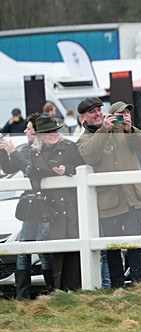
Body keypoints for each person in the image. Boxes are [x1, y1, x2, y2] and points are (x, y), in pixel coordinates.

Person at [77, 100, 141, 287]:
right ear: (82, 117)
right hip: (110, 202)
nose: (97, 114)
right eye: (92, 112)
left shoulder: (122, 130)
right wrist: (103, 130)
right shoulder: (83, 139)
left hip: (134, 196)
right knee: (113, 246)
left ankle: (137, 284)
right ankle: (117, 286)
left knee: (135, 242)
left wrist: (129, 129)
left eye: (99, 110)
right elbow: (90, 155)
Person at [0, 113, 54, 298]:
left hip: (46, 207)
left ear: (38, 132)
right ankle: (21, 296)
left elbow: (31, 169)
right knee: (24, 249)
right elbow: (8, 169)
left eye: (28, 129)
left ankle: (53, 292)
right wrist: (2, 149)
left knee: (43, 251)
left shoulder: (48, 149)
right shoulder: (26, 148)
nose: (25, 131)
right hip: (30, 207)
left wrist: (13, 152)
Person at [28, 114, 84, 291]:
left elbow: (83, 166)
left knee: (74, 248)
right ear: (40, 135)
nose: (52, 134)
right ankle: (58, 290)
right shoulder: (35, 151)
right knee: (56, 250)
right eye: (47, 132)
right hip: (50, 208)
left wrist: (67, 170)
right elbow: (32, 171)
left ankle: (76, 288)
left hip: (72, 205)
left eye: (54, 130)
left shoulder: (69, 147)